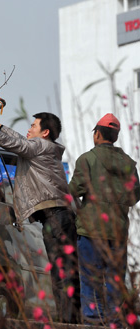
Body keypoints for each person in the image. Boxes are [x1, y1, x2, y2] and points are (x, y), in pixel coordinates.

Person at [0, 112, 81, 323]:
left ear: (45, 132)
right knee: (63, 273)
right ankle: (70, 321)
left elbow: (18, 144)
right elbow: (20, 141)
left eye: (33, 126)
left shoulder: (41, 147)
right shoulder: (42, 148)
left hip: (57, 217)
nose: (28, 129)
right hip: (58, 217)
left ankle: (69, 323)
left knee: (63, 274)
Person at [68, 113, 140, 326]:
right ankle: (114, 324)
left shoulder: (87, 159)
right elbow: (135, 195)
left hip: (91, 231)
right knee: (114, 283)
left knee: (90, 281)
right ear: (115, 137)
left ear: (97, 134)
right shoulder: (129, 164)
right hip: (117, 233)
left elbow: (73, 190)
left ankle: (93, 323)